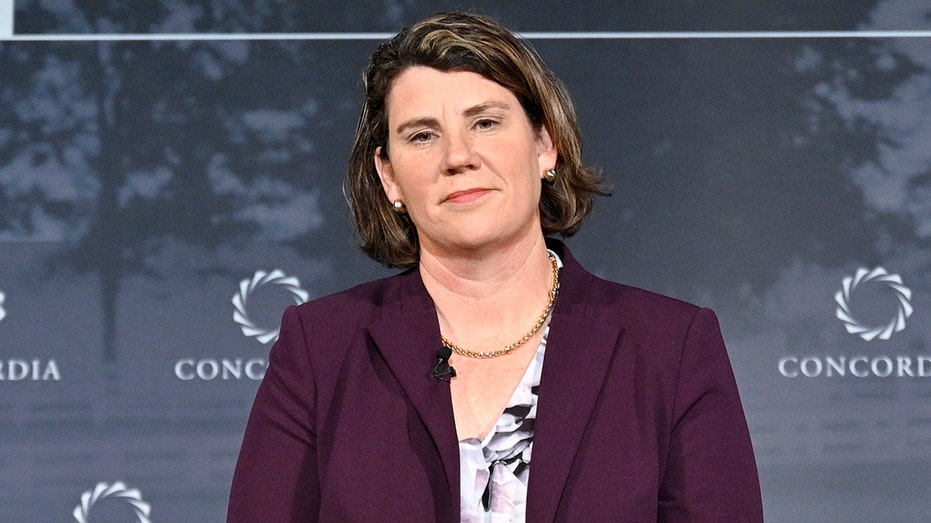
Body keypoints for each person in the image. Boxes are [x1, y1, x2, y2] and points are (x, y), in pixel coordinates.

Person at [228, 11, 763, 522]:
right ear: (389, 176)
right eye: (422, 135)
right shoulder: (320, 348)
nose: (457, 156)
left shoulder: (670, 347)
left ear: (544, 145)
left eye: (485, 123)